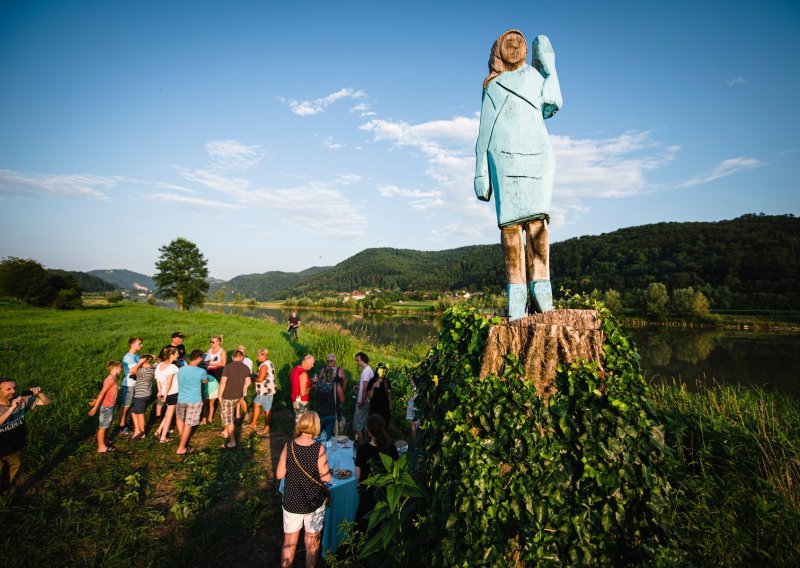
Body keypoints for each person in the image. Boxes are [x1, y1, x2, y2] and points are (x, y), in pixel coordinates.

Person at [474, 30, 562, 319]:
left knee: (538, 225)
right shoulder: (493, 87)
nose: (514, 46)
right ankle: (517, 289)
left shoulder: (536, 78)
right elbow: (483, 134)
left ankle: (541, 284)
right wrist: (480, 172)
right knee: (511, 229)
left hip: (538, 155)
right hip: (504, 160)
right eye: (507, 43)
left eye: (518, 42)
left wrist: (548, 65)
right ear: (498, 51)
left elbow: (553, 103)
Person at [275, 411, 331, 568]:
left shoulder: (289, 446)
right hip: (313, 502)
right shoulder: (318, 449)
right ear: (316, 426)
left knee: (289, 542)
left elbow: (279, 474)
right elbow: (326, 478)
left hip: (291, 500)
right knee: (312, 541)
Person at [0, 378, 51, 493]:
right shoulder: (12, 404)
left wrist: (40, 393)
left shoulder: (22, 399)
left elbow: (46, 402)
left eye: (14, 388)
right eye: (8, 389)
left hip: (15, 448)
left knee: (11, 474)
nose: (13, 391)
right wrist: (12, 408)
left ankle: (4, 494)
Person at [355, 414, 399, 528]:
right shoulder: (391, 447)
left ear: (368, 432)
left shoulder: (363, 449)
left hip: (368, 498)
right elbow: (397, 470)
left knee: (364, 528)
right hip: (387, 495)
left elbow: (357, 476)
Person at [175, 350, 208, 455]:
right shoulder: (201, 371)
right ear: (199, 358)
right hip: (194, 400)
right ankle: (181, 448)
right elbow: (205, 381)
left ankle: (182, 438)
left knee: (180, 419)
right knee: (188, 424)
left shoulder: (181, 369)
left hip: (181, 398)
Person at [217, 349, 250, 449]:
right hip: (238, 396)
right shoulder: (246, 367)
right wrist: (242, 389)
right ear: (242, 357)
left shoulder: (228, 367)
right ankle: (226, 432)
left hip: (228, 396)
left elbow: (223, 382)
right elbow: (248, 382)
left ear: (232, 357)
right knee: (230, 415)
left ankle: (232, 442)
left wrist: (219, 394)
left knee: (229, 420)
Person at [88, 361, 122, 453]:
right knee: (102, 427)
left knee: (107, 425)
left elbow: (106, 394)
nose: (121, 369)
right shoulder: (110, 379)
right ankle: (101, 447)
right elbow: (102, 393)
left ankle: (105, 441)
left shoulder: (114, 379)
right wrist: (95, 407)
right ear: (115, 368)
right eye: (120, 367)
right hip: (106, 407)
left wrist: (96, 401)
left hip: (109, 405)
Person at [154, 347, 180, 443]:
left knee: (167, 414)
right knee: (169, 415)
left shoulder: (160, 365)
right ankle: (163, 437)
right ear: (171, 355)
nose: (178, 355)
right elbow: (169, 382)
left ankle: (158, 431)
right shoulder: (172, 367)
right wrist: (165, 395)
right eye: (176, 354)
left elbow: (158, 380)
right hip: (171, 393)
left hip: (163, 392)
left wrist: (160, 391)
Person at [248, 348, 276, 436]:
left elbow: (260, 379)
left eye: (259, 355)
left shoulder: (264, 365)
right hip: (263, 390)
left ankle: (267, 428)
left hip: (266, 391)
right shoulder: (269, 362)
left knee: (267, 410)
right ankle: (253, 423)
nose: (257, 357)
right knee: (256, 404)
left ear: (264, 355)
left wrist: (251, 378)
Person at [119, 337, 143, 434]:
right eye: (139, 344)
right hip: (129, 385)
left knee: (130, 404)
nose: (141, 345)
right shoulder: (127, 358)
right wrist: (141, 362)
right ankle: (122, 426)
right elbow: (134, 370)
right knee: (125, 405)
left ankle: (127, 421)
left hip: (135, 384)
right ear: (132, 345)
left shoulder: (136, 355)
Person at [316, 361, 344, 440]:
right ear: (334, 376)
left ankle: (318, 449)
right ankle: (326, 449)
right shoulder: (336, 386)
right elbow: (342, 400)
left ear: (324, 375)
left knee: (318, 434)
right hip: (331, 414)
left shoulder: (318, 384)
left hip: (319, 414)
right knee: (328, 435)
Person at [202, 335, 226, 425]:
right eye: (210, 341)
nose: (211, 343)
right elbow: (204, 362)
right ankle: (206, 412)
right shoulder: (209, 350)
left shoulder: (222, 351)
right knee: (208, 389)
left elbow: (223, 363)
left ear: (218, 342)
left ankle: (220, 410)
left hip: (217, 371)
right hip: (209, 371)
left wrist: (211, 363)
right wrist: (205, 363)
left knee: (218, 390)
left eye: (213, 342)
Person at [130, 355, 155, 440]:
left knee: (140, 414)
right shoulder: (152, 368)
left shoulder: (142, 371)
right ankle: (137, 429)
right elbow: (156, 363)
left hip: (141, 395)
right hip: (146, 393)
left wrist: (139, 362)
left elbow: (132, 371)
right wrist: (151, 358)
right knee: (133, 411)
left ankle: (142, 433)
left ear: (143, 362)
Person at [353, 352, 373, 445]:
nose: (356, 362)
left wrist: (361, 400)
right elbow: (365, 386)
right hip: (367, 401)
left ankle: (361, 447)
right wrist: (358, 386)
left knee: (358, 426)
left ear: (363, 360)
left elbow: (365, 387)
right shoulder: (368, 370)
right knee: (365, 425)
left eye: (358, 360)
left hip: (363, 402)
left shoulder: (365, 371)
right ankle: (365, 445)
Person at [290, 355, 314, 425]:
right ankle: (296, 436)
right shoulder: (304, 374)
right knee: (300, 425)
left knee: (299, 423)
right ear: (305, 362)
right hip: (302, 401)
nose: (312, 365)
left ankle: (297, 436)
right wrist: (311, 387)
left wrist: (309, 381)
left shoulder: (295, 369)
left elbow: (297, 382)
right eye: (311, 363)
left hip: (295, 399)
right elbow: (303, 392)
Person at [367, 363, 392, 429]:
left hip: (385, 409)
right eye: (382, 371)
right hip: (375, 408)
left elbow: (389, 393)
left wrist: (390, 405)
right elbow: (370, 396)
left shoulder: (386, 381)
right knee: (374, 426)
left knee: (384, 427)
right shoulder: (372, 381)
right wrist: (373, 387)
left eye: (385, 371)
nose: (383, 373)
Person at [235, 344, 253, 422]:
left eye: (242, 352)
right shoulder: (235, 359)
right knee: (237, 399)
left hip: (244, 382)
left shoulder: (248, 361)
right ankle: (237, 414)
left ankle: (246, 413)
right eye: (239, 352)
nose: (241, 354)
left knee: (241, 399)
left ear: (244, 354)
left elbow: (248, 373)